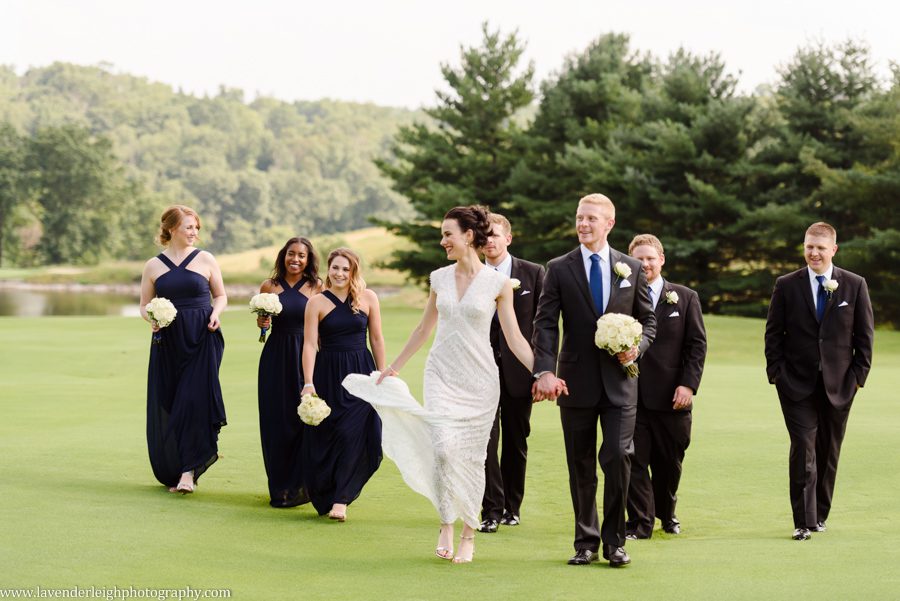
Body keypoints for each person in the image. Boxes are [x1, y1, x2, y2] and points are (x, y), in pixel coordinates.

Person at [343, 205, 546, 564]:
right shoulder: (439, 278)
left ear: (468, 235)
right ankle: (446, 523)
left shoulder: (498, 284)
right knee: (442, 448)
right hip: (441, 374)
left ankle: (470, 531)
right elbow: (424, 328)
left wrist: (542, 372)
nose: (442, 241)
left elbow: (514, 337)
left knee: (472, 456)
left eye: (447, 234)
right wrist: (393, 367)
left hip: (481, 379)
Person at [531, 193, 656, 568]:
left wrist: (637, 348)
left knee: (618, 457)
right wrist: (546, 370)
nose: (583, 224)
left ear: (609, 224)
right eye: (579, 217)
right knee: (580, 464)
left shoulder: (631, 267)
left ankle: (615, 542)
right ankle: (585, 541)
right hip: (575, 382)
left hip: (621, 382)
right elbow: (545, 323)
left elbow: (649, 321)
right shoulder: (558, 267)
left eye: (591, 219)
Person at [764, 222, 873, 541]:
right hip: (795, 385)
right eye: (809, 246)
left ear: (833, 250)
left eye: (821, 248)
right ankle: (803, 520)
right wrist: (777, 374)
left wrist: (857, 379)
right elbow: (773, 333)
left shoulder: (854, 285)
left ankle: (820, 514)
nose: (814, 252)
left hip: (840, 385)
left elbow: (864, 337)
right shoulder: (787, 284)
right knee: (803, 447)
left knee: (828, 451)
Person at [140, 205, 227, 494]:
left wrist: (216, 313)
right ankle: (177, 466)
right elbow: (143, 305)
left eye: (196, 228)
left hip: (203, 337)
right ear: (172, 228)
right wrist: (151, 317)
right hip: (168, 342)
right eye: (189, 227)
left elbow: (221, 295)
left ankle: (189, 471)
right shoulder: (153, 266)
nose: (194, 233)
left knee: (193, 401)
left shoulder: (206, 259)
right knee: (172, 401)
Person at [624, 234, 706, 540]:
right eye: (639, 259)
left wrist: (688, 385)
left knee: (669, 462)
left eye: (650, 258)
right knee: (632, 459)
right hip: (631, 393)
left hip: (672, 396)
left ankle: (667, 512)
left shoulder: (684, 297)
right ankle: (640, 522)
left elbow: (696, 346)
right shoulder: (621, 296)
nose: (644, 264)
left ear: (662, 259)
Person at [301, 248, 385, 521]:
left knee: (355, 434)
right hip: (329, 374)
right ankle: (326, 492)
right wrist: (309, 383)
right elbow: (310, 345)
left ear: (354, 272)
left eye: (345, 269)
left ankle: (342, 499)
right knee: (329, 435)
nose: (339, 274)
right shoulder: (316, 303)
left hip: (361, 373)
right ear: (329, 269)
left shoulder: (368, 298)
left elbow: (377, 339)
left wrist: (382, 375)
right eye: (335, 268)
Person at [477, 213, 545, 534]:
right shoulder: (471, 274)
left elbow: (543, 327)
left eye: (495, 235)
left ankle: (511, 508)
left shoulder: (533, 274)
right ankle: (490, 509)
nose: (489, 240)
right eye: (484, 236)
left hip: (520, 371)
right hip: (480, 370)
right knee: (486, 441)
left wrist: (541, 370)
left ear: (508, 238)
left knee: (516, 441)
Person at [256, 237, 321, 508]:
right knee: (275, 421)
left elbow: (323, 323)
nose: (295, 259)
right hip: (275, 356)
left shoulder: (317, 286)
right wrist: (262, 324)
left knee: (302, 420)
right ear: (284, 256)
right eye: (291, 254)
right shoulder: (269, 286)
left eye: (301, 255)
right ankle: (279, 486)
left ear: (308, 260)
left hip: (306, 356)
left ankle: (303, 484)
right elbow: (264, 330)